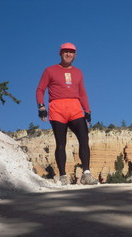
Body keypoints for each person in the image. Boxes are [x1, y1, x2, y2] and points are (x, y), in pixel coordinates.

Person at [36, 42, 98, 185]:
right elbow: (40, 89)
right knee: (61, 143)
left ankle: (86, 174)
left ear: (75, 55)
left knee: (84, 139)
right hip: (57, 109)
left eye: (71, 52)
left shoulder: (78, 72)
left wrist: (87, 110)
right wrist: (41, 107)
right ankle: (63, 176)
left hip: (75, 108)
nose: (68, 54)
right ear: (60, 53)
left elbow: (82, 93)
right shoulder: (49, 70)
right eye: (65, 51)